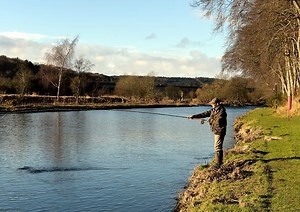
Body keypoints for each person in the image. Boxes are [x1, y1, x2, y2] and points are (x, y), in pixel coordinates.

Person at [189, 97, 227, 167]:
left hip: (220, 130)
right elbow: (205, 114)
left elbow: (218, 120)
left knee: (217, 146)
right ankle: (218, 162)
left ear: (217, 104)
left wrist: (209, 121)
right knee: (217, 146)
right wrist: (194, 116)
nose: (212, 105)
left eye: (213, 104)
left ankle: (219, 164)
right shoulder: (213, 110)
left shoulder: (222, 111)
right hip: (216, 130)